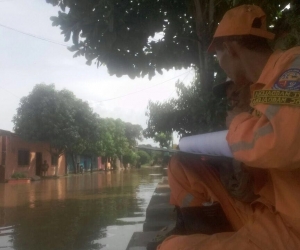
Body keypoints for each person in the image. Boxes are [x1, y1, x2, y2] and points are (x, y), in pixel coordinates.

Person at [157, 4, 300, 250]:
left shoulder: (293, 67)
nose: (220, 65)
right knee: (183, 165)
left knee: (171, 248)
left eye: (218, 55)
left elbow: (281, 143)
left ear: (231, 48)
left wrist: (236, 122)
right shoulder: (262, 87)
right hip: (267, 207)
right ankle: (214, 235)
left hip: (290, 227)